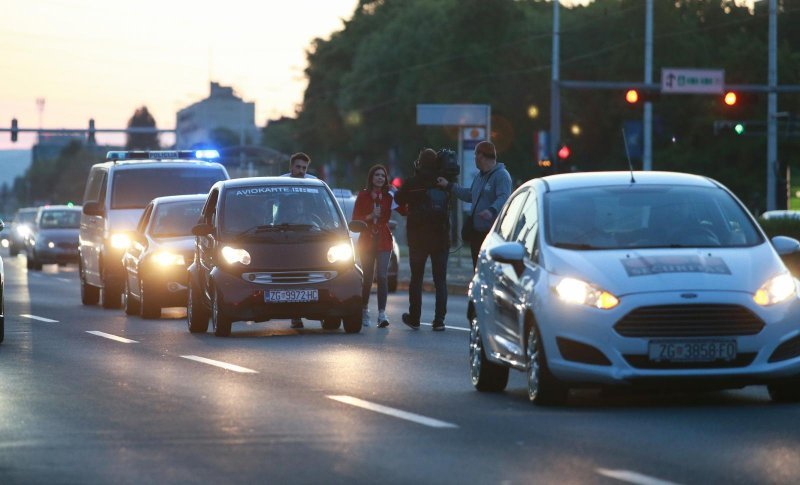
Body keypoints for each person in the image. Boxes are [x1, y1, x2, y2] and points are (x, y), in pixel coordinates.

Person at [394, 149, 451, 332]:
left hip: (418, 239)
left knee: (416, 279)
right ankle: (439, 320)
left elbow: (398, 199)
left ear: (419, 163)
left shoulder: (412, 182)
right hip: (440, 238)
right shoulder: (442, 182)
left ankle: (414, 318)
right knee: (440, 280)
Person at [437, 141, 512, 269]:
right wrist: (449, 186)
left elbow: (504, 197)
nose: (475, 159)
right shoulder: (479, 176)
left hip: (491, 235)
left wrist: (491, 210)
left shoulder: (501, 176)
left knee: (489, 270)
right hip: (476, 234)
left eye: (475, 155)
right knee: (477, 270)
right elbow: (470, 195)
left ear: (481, 156)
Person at [352, 164, 396, 328]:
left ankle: (382, 314)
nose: (380, 178)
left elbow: (401, 209)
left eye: (383, 176)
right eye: (377, 175)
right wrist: (370, 216)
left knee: (383, 276)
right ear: (371, 178)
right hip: (367, 239)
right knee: (368, 277)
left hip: (383, 239)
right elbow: (355, 219)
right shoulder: (363, 196)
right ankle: (364, 310)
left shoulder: (388, 197)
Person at [281, 151, 315, 329]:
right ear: (291, 167)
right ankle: (295, 315)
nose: (301, 171)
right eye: (298, 167)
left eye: (304, 168)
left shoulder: (313, 184)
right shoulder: (280, 184)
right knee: (293, 278)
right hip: (284, 236)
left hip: (310, 237)